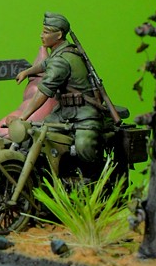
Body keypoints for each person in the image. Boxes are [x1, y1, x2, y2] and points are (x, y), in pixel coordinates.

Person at [6, 12, 103, 162]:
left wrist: (22, 117)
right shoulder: (62, 52)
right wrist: (27, 72)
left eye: (46, 32)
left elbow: (44, 91)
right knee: (37, 135)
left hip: (83, 114)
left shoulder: (62, 60)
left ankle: (92, 174)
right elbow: (45, 64)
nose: (41, 35)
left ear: (58, 35)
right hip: (63, 113)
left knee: (84, 146)